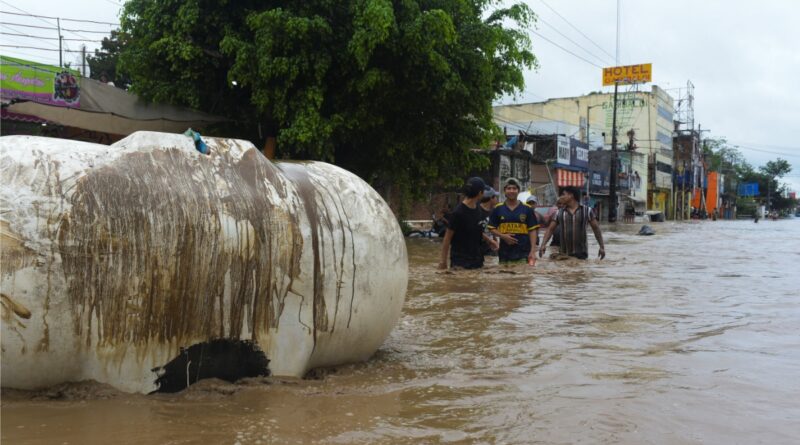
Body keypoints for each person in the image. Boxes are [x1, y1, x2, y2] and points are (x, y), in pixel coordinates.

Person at [438, 177, 495, 269]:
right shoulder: (458, 212)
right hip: (461, 262)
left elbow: (476, 230)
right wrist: (443, 262)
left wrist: (490, 241)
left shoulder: (477, 208)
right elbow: (447, 238)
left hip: (477, 260)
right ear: (480, 193)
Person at [539, 186, 605, 260]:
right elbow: (550, 229)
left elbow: (596, 229)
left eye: (563, 194)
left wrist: (601, 247)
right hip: (563, 255)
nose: (561, 197)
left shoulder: (587, 211)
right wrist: (543, 245)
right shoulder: (559, 212)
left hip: (581, 255)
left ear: (571, 195)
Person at [488, 178, 540, 264]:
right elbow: (491, 228)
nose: (511, 191)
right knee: (503, 272)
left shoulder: (527, 209)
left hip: (523, 253)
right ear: (504, 191)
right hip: (504, 253)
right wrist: (503, 236)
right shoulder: (498, 208)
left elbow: (532, 231)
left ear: (518, 191)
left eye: (514, 188)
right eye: (509, 188)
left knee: (522, 272)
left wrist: (532, 251)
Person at [479, 186, 500, 255]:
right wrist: (491, 241)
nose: (497, 199)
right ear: (491, 198)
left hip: (490, 247)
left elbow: (492, 228)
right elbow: (476, 230)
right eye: (495, 197)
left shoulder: (493, 211)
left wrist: (495, 240)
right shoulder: (477, 211)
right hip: (479, 247)